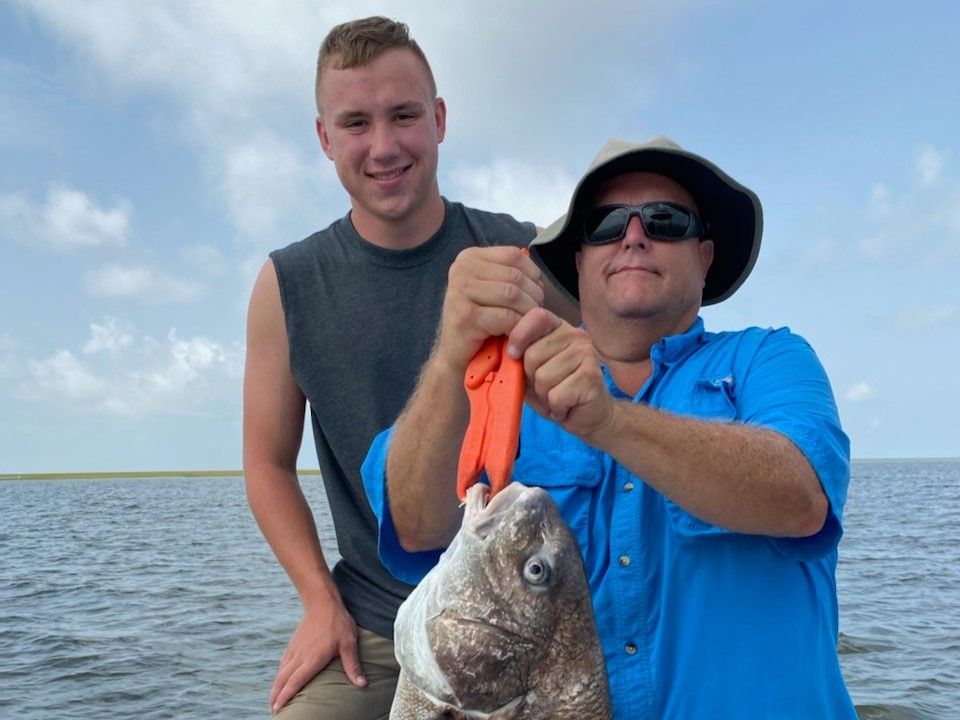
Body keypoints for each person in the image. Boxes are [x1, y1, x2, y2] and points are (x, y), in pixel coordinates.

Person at [362, 135, 858, 718]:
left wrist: (610, 420)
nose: (634, 235)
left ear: (705, 256)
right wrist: (452, 354)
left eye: (666, 220)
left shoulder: (769, 359)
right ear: (578, 261)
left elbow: (800, 496)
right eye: (605, 224)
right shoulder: (501, 388)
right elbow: (417, 525)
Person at [243, 16, 575, 719]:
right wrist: (316, 603)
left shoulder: (520, 253)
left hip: (521, 615)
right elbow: (267, 463)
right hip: (368, 623)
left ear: (440, 119)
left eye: (404, 116)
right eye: (356, 123)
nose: (384, 146)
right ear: (324, 138)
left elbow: (613, 394)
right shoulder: (288, 284)